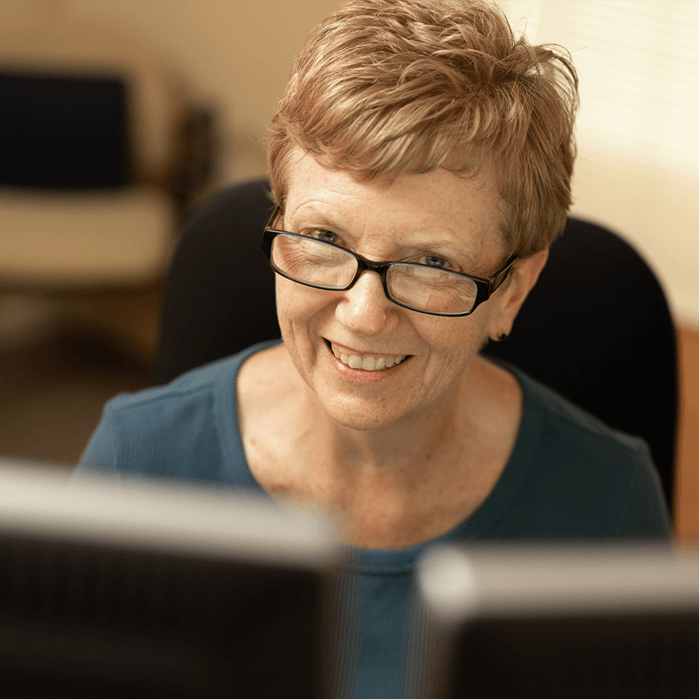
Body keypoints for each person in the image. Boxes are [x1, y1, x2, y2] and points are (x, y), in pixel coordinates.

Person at [78, 0, 671, 696]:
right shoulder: (136, 461)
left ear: (513, 291)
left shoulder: (606, 505)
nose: (363, 316)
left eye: (431, 264)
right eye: (325, 240)